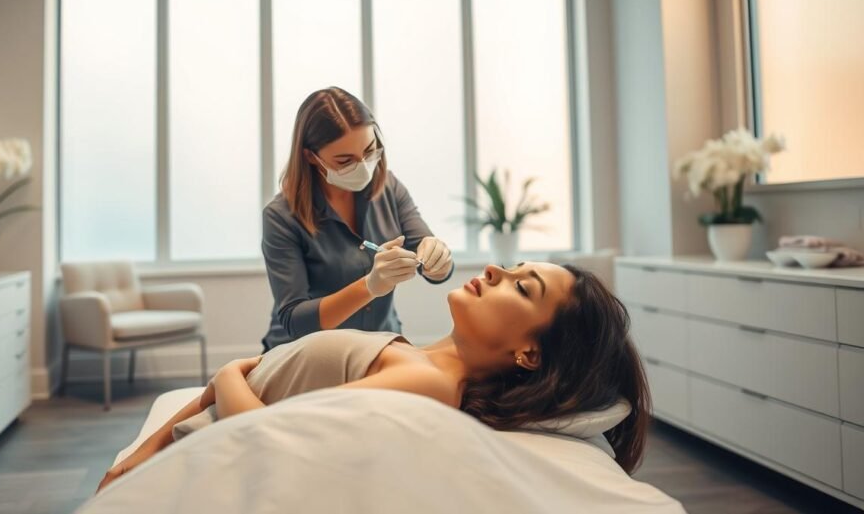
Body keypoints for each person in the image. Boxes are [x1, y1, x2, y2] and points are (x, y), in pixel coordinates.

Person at [99, 262, 651, 492]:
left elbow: (263, 435)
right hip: (187, 442)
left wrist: (225, 374)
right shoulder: (420, 358)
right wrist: (139, 457)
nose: (494, 271)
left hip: (206, 456)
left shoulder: (429, 383)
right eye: (512, 268)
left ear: (529, 353)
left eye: (521, 287)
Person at [260, 87, 455, 351]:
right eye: (344, 160)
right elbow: (295, 320)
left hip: (380, 349)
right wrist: (370, 286)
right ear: (310, 156)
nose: (363, 165)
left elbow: (429, 261)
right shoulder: (281, 216)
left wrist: (438, 260)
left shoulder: (388, 187)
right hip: (308, 356)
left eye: (370, 150)